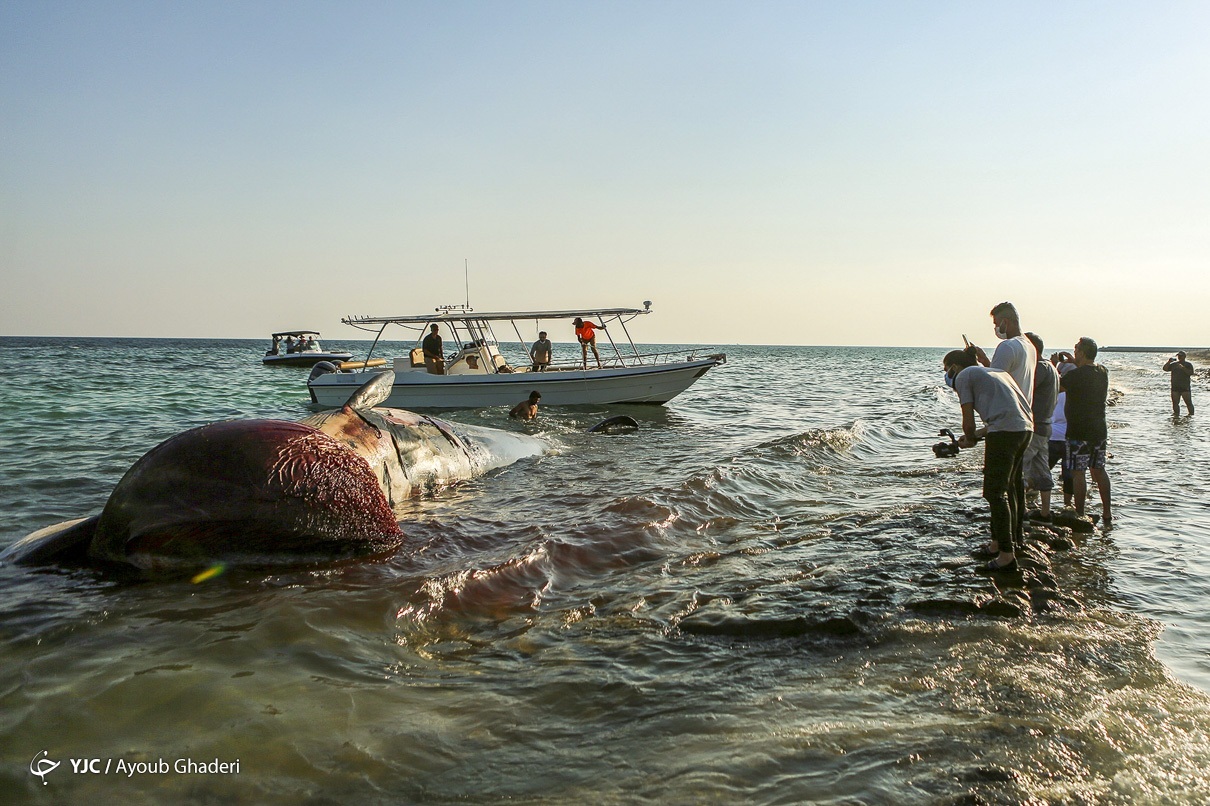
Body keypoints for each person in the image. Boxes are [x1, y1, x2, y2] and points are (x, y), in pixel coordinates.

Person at [943, 346, 1034, 573]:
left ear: (954, 367)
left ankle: (1006, 555)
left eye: (946, 370)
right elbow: (1004, 414)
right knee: (1010, 488)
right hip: (1024, 430)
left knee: (994, 492)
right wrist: (973, 437)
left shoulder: (964, 375)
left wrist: (970, 437)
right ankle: (1007, 543)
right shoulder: (995, 372)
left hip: (1005, 432)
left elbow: (968, 419)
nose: (946, 375)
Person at [1061, 337, 1112, 526]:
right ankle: (1107, 513)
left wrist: (1055, 367)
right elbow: (1088, 371)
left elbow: (1057, 387)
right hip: (1099, 429)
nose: (1074, 352)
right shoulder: (1102, 372)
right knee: (1099, 471)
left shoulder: (1075, 376)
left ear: (1082, 352)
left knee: (1078, 472)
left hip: (1078, 430)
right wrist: (1076, 363)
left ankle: (1080, 512)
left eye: (1076, 349)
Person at [1022, 333, 1060, 521]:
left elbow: (1022, 390)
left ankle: (1019, 511)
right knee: (1042, 469)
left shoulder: (1039, 368)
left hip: (1035, 427)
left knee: (1018, 468)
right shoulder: (1051, 368)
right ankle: (1045, 512)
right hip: (1045, 426)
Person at [973, 301, 1036, 407]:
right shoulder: (1030, 346)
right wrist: (985, 361)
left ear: (1005, 322)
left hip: (1007, 414)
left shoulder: (1007, 346)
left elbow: (993, 383)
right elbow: (1007, 376)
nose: (996, 328)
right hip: (1024, 413)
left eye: (996, 324)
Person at [1164, 351, 1195, 416]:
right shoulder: (1174, 364)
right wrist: (1169, 362)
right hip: (1175, 387)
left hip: (1185, 387)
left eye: (1181, 356)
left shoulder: (1188, 364)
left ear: (1184, 356)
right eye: (1178, 356)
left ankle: (1191, 416)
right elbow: (1165, 369)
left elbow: (1191, 373)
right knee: (1175, 403)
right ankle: (1176, 416)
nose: (1179, 357)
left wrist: (1183, 368)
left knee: (1188, 403)